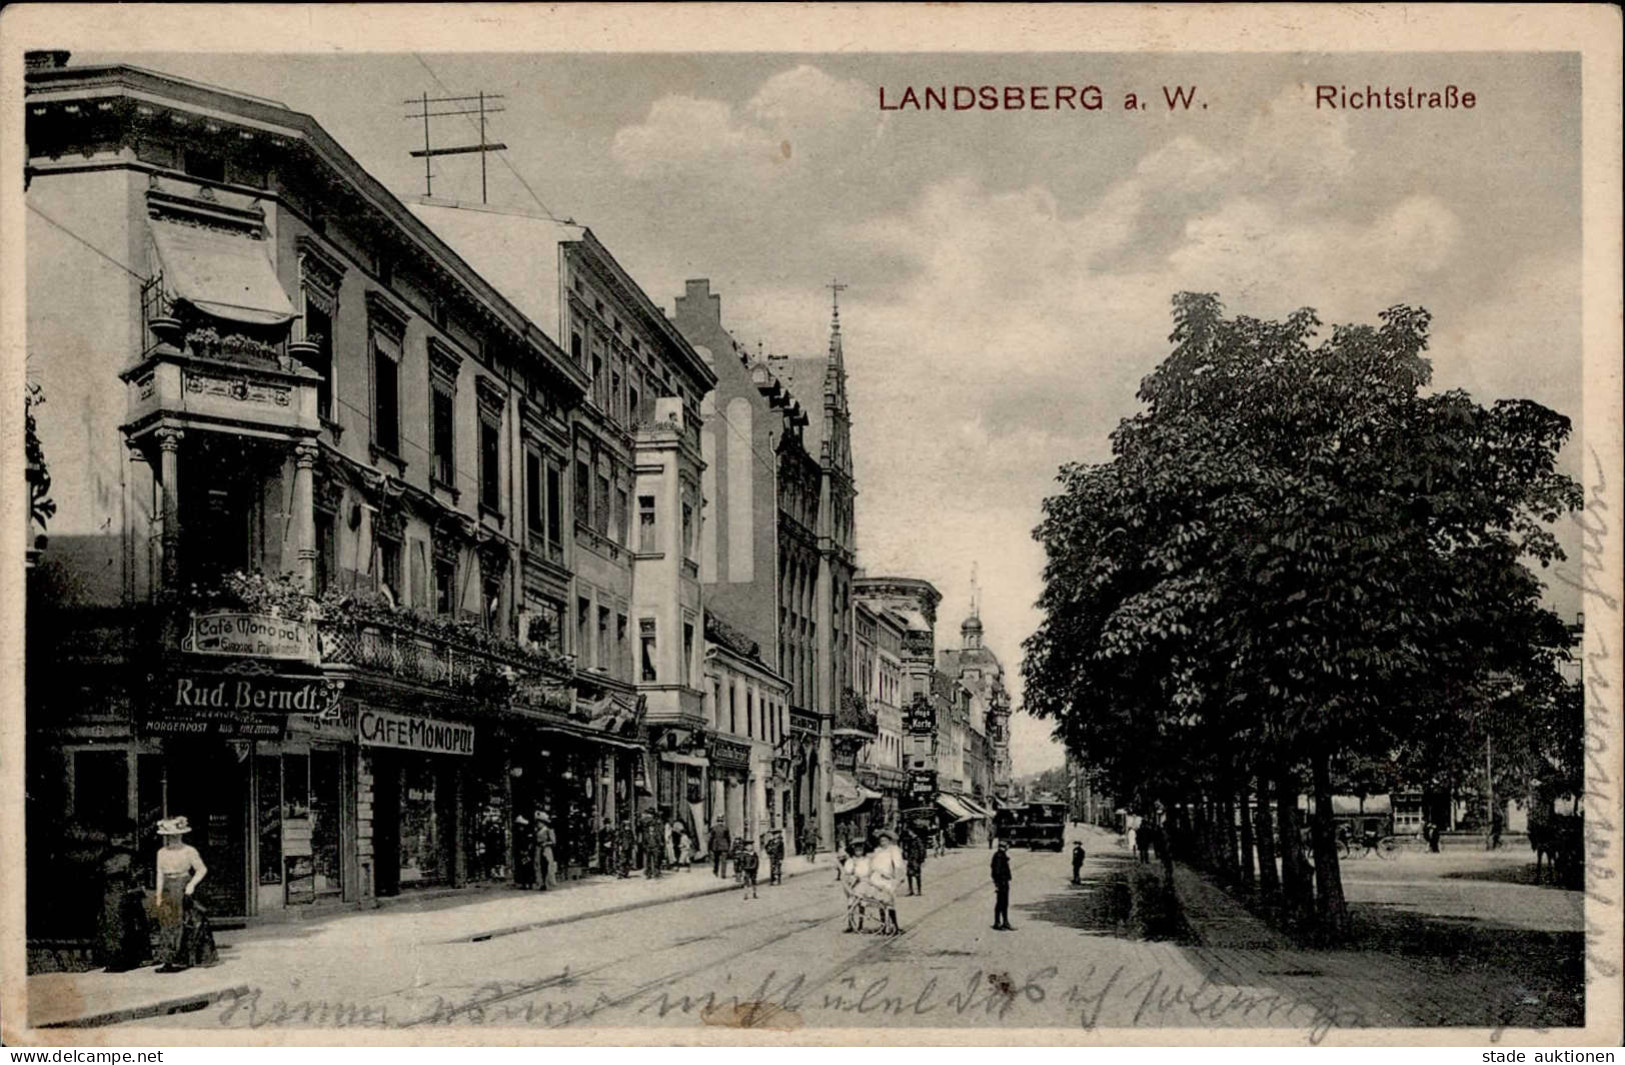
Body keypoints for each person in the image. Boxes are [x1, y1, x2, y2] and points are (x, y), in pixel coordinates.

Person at [153, 817, 208, 971]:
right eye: (170, 836)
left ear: (182, 835)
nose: (173, 839)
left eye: (177, 835)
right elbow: (160, 873)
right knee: (167, 923)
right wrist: (158, 895)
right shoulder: (161, 852)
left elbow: (202, 869)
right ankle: (167, 960)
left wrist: (191, 884)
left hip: (183, 886)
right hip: (167, 889)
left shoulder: (189, 851)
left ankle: (182, 958)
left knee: (182, 922)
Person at [96, 820, 149, 972]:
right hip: (113, 892)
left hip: (121, 892)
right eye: (114, 837)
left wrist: (135, 887)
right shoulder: (108, 856)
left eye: (119, 837)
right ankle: (117, 959)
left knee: (122, 925)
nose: (116, 840)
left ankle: (122, 960)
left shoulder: (127, 856)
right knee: (114, 926)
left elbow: (137, 874)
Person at [869, 828, 907, 934]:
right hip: (877, 878)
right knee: (880, 902)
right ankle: (883, 926)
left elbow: (898, 864)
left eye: (885, 841)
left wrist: (899, 876)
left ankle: (895, 926)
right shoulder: (877, 851)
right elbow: (873, 865)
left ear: (889, 841)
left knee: (890, 903)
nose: (883, 843)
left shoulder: (893, 850)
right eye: (881, 841)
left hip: (888, 879)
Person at [990, 838, 1014, 931]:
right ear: (1004, 846)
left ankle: (1005, 922)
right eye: (1007, 845)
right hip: (1002, 883)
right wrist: (998, 883)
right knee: (1000, 903)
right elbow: (996, 871)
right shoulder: (999, 856)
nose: (1008, 847)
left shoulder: (1001, 855)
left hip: (1003, 882)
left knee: (1004, 903)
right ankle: (997, 923)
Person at [534, 813, 557, 890]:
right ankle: (541, 883)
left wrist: (546, 843)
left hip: (546, 849)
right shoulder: (537, 830)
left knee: (547, 866)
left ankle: (548, 883)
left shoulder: (548, 830)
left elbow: (553, 842)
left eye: (539, 822)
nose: (538, 824)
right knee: (538, 866)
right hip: (539, 849)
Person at [642, 812, 665, 879]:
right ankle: (648, 874)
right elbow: (644, 842)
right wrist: (645, 847)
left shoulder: (656, 834)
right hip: (648, 848)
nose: (651, 828)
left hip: (655, 848)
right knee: (648, 862)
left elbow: (659, 841)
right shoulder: (646, 834)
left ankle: (656, 873)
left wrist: (658, 847)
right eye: (650, 827)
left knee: (656, 861)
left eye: (652, 827)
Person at [904, 830, 926, 897]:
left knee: (917, 875)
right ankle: (911, 891)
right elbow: (907, 849)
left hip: (916, 860)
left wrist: (921, 860)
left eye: (910, 832)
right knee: (909, 875)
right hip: (910, 859)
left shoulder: (918, 840)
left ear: (913, 832)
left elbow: (922, 850)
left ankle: (919, 891)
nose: (909, 833)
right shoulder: (910, 840)